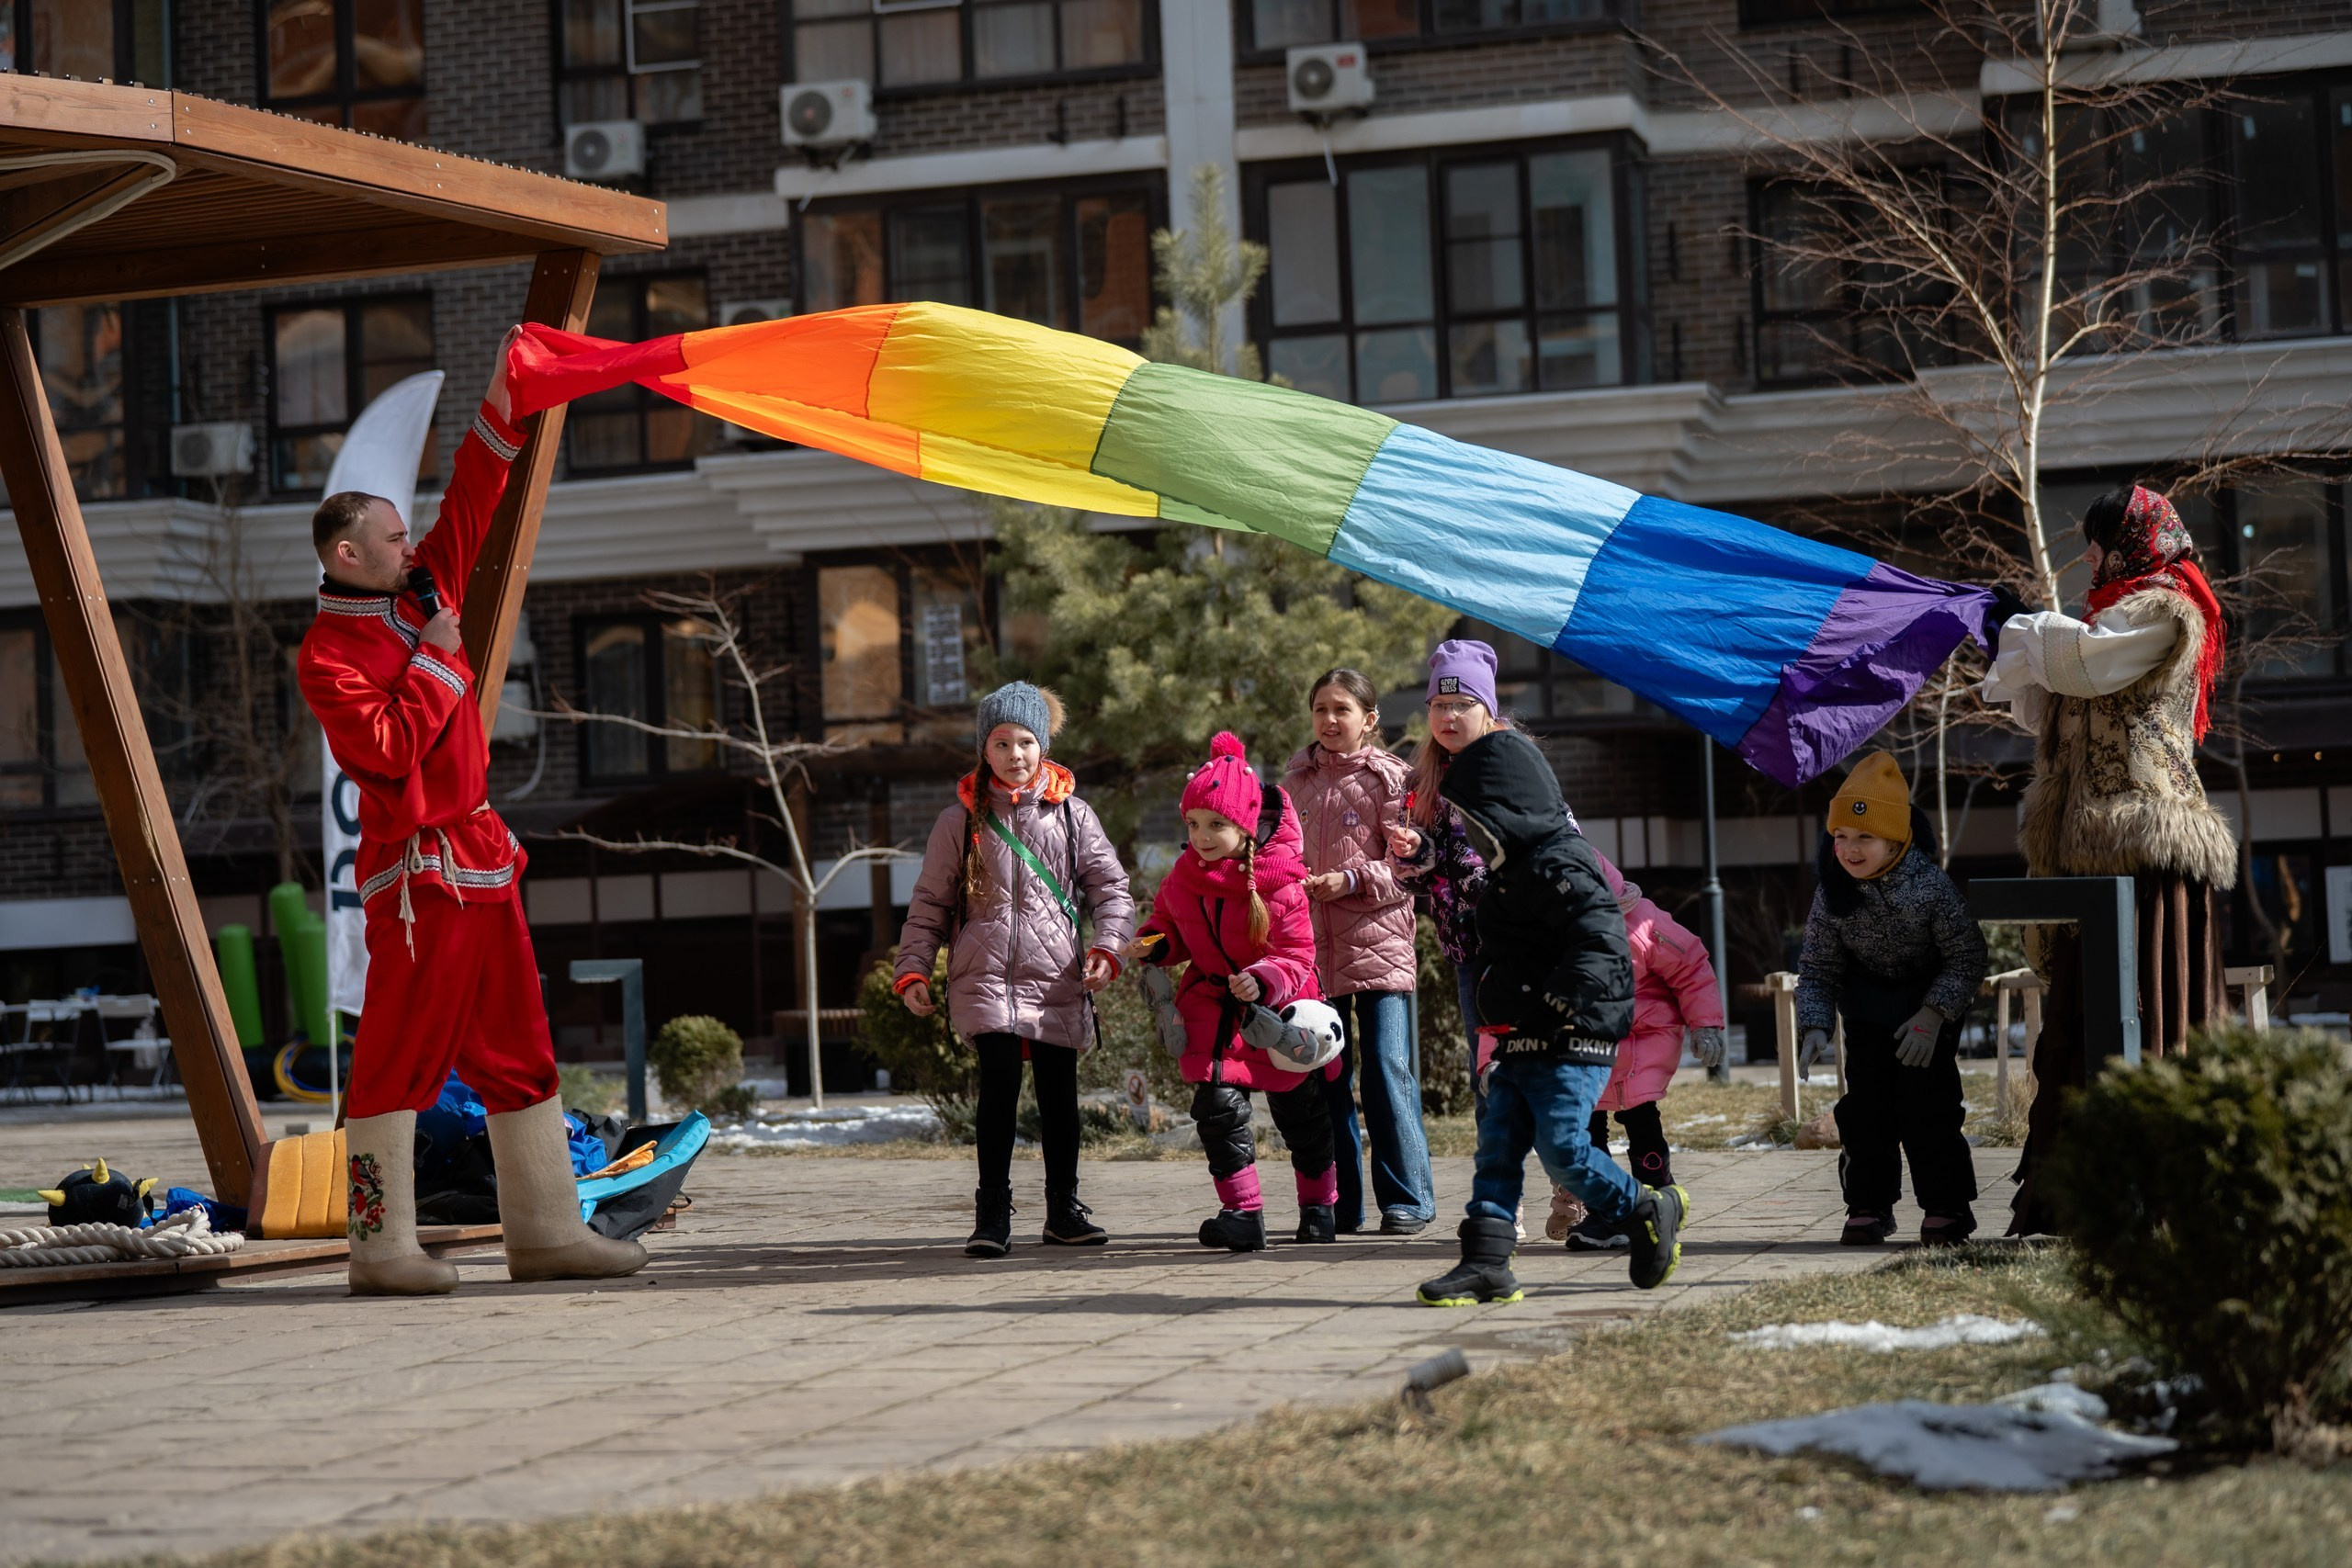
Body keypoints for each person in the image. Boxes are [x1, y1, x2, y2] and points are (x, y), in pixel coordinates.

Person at [298, 329, 645, 1296]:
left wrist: (503, 401)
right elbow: (388, 750)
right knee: (399, 1056)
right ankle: (379, 1249)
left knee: (521, 1047)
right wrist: (445, 659)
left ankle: (544, 1233)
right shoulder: (328, 655)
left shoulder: (419, 593)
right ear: (346, 552)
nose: (412, 542)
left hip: (481, 860)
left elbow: (474, 500)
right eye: (393, 535)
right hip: (414, 876)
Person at [1979, 484, 2238, 1236]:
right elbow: (2043, 694)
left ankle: (2158, 1197)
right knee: (2085, 1019)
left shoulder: (2164, 611)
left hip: (2147, 850)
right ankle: (2078, 1197)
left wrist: (2023, 629)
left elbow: (2084, 667)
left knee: (2148, 1013)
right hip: (2090, 858)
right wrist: (2001, 636)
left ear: (2134, 541)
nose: (2089, 555)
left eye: (2100, 540)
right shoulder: (2105, 617)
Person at [1416, 727, 1685, 1305]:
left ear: (1510, 810)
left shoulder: (1563, 863)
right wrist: (1496, 1017)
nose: (1471, 834)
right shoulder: (1507, 878)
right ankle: (1486, 1260)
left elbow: (1600, 943)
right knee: (1498, 1143)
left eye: (1477, 821)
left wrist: (1562, 1004)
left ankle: (1645, 1206)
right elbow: (1501, 961)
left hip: (1574, 1033)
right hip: (1521, 1035)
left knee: (1561, 1146)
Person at [895, 682, 1134, 1258]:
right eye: (1001, 743)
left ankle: (1064, 1209)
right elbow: (930, 903)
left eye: (1026, 742)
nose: (1015, 755)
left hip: (1056, 975)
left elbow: (1112, 889)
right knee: (998, 1089)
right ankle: (992, 1212)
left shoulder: (1074, 816)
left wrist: (1109, 947)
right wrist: (914, 970)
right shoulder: (959, 821)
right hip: (984, 974)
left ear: (1043, 746)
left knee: (1059, 1096)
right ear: (985, 749)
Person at [1129, 732, 1340, 1253]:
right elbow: (1168, 928)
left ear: (1247, 826)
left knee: (1302, 1115)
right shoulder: (1183, 878)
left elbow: (1297, 954)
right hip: (1214, 1007)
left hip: (1281, 1009)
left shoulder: (1279, 881)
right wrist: (1151, 947)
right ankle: (1242, 1213)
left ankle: (1319, 1206)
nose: (1202, 836)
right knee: (1218, 1108)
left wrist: (1264, 977)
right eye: (1194, 824)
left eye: (1216, 825)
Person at [1795, 750, 1987, 1247]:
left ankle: (1947, 1207)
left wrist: (1933, 1014)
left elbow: (1967, 956)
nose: (1850, 849)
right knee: (1866, 1112)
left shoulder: (1929, 887)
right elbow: (1817, 965)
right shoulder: (1832, 891)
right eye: (1840, 837)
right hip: (1866, 1009)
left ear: (1896, 840)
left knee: (1929, 1108)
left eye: (1865, 838)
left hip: (1927, 1007)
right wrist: (1815, 1022)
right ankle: (1868, 1204)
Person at [1283, 669, 1434, 1236]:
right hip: (1313, 957)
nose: (1329, 720)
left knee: (1387, 1072)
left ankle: (1408, 1201)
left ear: (1369, 721)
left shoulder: (1394, 780)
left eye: (1341, 709)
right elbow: (1278, 860)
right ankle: (1340, 1204)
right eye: (1320, 708)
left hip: (1380, 952)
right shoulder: (1293, 783)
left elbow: (1413, 870)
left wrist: (1348, 880)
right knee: (1326, 1077)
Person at [1548, 852, 1727, 1251]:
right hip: (1585, 1039)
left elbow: (1691, 967)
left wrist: (1706, 1024)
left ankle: (1657, 1191)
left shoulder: (1643, 922)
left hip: (1644, 1032)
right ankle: (1605, 1210)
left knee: (1640, 1115)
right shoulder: (1551, 933)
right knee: (1586, 1126)